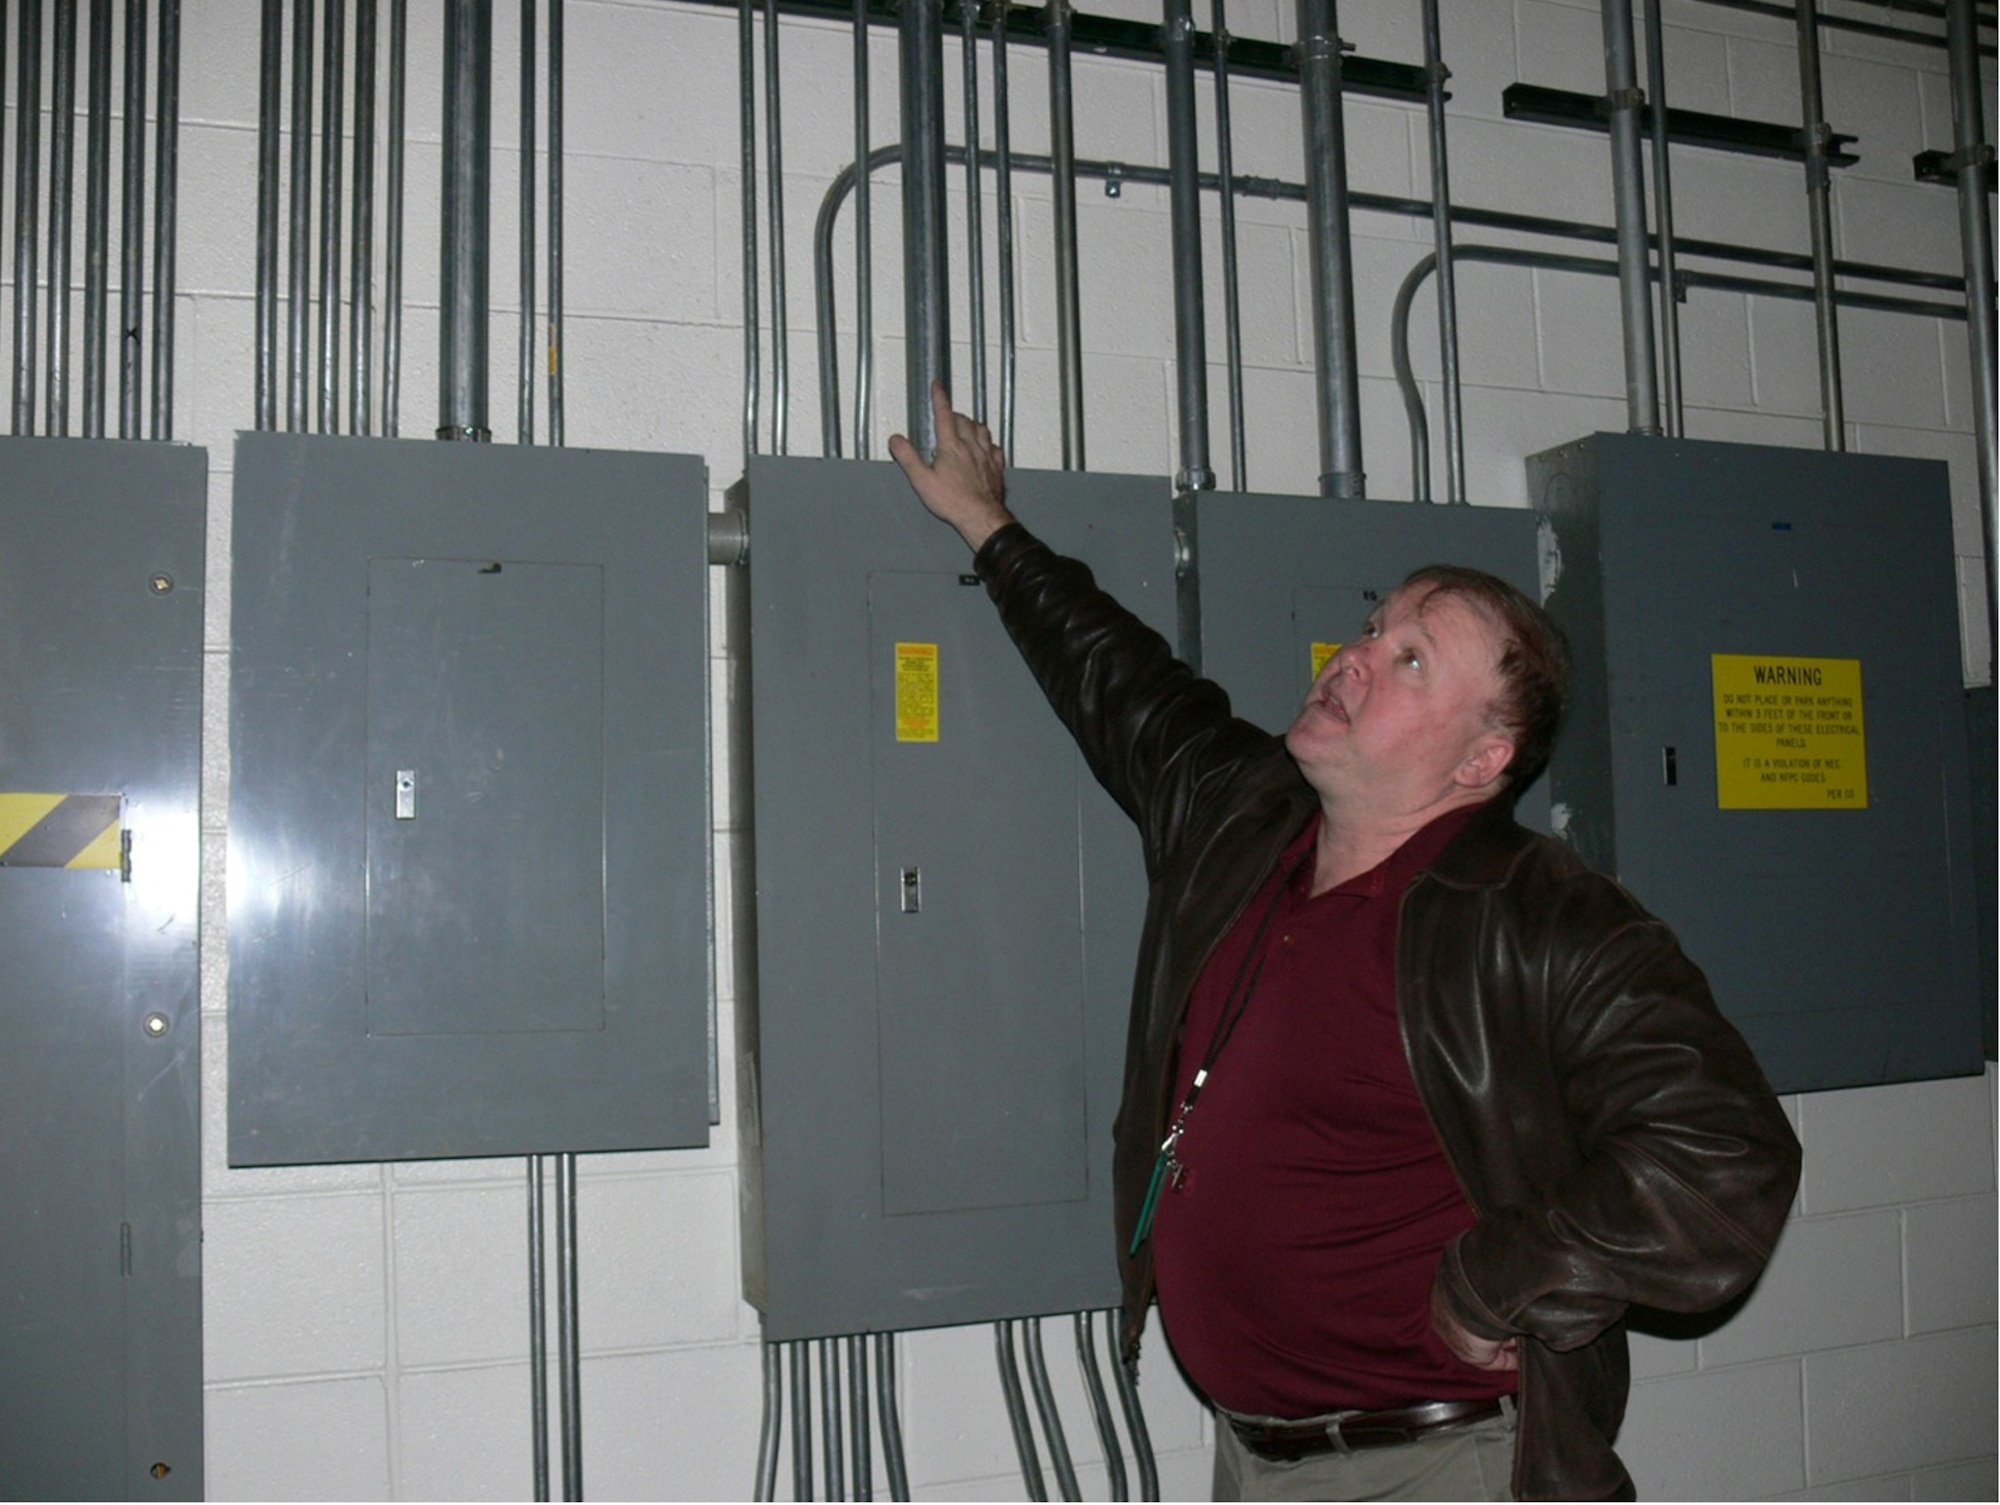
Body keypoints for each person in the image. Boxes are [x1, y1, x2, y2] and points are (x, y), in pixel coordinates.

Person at [889, 385, 1802, 1502]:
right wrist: (990, 525)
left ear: (1482, 760)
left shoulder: (1542, 915)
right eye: (1375, 626)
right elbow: (1119, 682)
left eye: (1412, 658)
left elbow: (1723, 1155)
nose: (1356, 654)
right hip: (1251, 1453)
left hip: (1434, 1465)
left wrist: (1493, 1284)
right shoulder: (1245, 818)